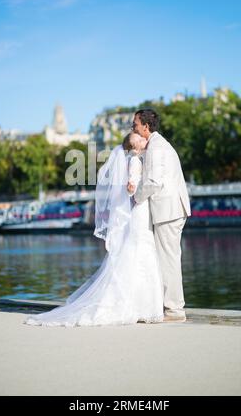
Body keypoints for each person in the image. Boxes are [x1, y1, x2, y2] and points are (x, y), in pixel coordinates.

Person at [23, 132, 164, 327]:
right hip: (140, 210)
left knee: (139, 251)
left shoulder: (138, 158)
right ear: (134, 148)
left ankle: (140, 306)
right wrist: (133, 188)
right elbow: (131, 188)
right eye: (139, 140)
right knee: (140, 251)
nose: (143, 140)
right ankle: (142, 306)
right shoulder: (134, 162)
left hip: (140, 210)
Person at [128, 109, 191, 322]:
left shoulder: (156, 147)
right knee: (168, 259)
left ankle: (174, 310)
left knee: (168, 261)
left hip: (168, 211)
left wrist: (136, 198)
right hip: (171, 209)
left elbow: (153, 182)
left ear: (146, 127)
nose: (133, 128)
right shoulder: (158, 145)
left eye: (135, 124)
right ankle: (170, 307)